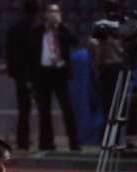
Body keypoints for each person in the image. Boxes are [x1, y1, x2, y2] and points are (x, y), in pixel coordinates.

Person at [28, 3, 80, 151]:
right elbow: (30, 55)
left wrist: (60, 26)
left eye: (56, 12)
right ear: (45, 14)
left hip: (60, 75)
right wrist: (30, 79)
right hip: (42, 75)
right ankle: (46, 144)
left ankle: (74, 143)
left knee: (68, 109)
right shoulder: (37, 31)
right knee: (44, 111)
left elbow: (75, 41)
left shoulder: (63, 31)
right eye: (50, 11)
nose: (53, 14)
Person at [89, 0, 125, 141]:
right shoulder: (100, 25)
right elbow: (93, 45)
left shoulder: (122, 25)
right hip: (108, 68)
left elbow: (93, 44)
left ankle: (113, 138)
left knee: (113, 106)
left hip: (115, 68)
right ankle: (107, 138)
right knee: (108, 106)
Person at [7, 0, 40, 150]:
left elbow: (9, 54)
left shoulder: (14, 28)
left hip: (21, 75)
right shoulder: (36, 29)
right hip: (36, 74)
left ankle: (23, 141)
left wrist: (14, 73)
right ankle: (42, 141)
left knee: (24, 110)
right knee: (39, 109)